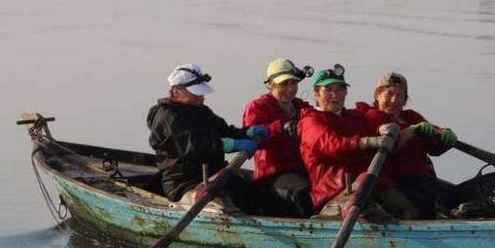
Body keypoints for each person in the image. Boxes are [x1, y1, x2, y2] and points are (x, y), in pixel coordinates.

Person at [297, 64, 418, 221]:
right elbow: (333, 145)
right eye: (328, 90)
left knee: (406, 209)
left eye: (340, 89)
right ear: (316, 94)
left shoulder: (355, 116)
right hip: (333, 194)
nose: (335, 95)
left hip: (368, 185)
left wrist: (383, 129)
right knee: (369, 205)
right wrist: (368, 142)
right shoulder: (311, 121)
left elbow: (373, 126)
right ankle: (357, 212)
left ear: (346, 93)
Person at [147, 63, 271, 213]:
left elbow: (225, 130)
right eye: (195, 94)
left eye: (201, 93)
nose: (201, 97)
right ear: (176, 92)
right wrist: (231, 145)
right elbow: (195, 148)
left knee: (262, 199)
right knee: (222, 209)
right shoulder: (168, 116)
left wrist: (247, 133)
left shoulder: (201, 111)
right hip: (184, 184)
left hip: (216, 177)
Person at [355, 72, 457, 219]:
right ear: (378, 95)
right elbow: (393, 147)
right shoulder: (372, 117)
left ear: (405, 100)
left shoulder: (411, 117)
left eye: (400, 96)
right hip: (397, 183)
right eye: (389, 94)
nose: (394, 100)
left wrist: (444, 135)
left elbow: (434, 147)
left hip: (423, 181)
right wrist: (412, 131)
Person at [241, 59, 315, 217]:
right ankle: (314, 231)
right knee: (304, 193)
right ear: (270, 85)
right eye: (284, 84)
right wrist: (281, 127)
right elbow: (250, 135)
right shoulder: (257, 107)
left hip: (303, 168)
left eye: (293, 83)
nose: (290, 89)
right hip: (273, 174)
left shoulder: (302, 107)